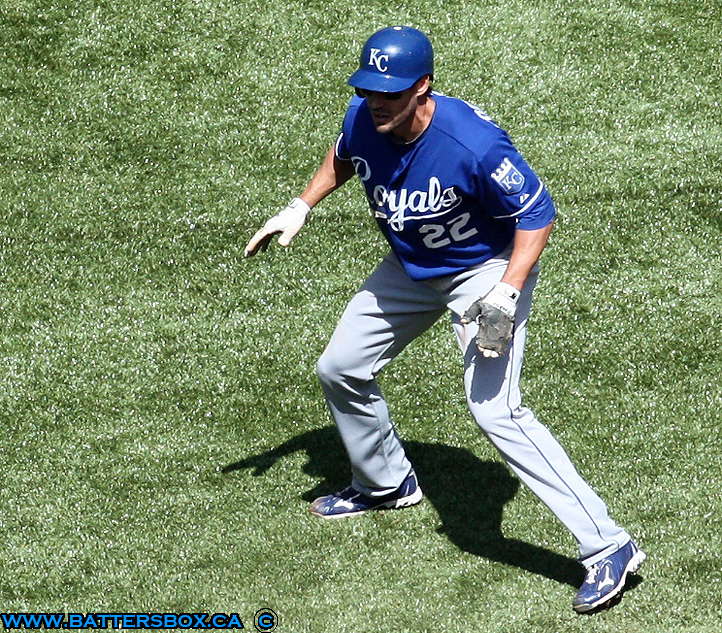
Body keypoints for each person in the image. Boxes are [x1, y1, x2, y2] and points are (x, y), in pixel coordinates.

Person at [244, 25, 645, 613]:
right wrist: (301, 206)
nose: (376, 101)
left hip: (486, 272)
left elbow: (537, 213)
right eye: (367, 89)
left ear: (423, 87)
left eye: (390, 93)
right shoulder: (365, 118)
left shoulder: (473, 144)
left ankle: (609, 545)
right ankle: (386, 483)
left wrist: (506, 293)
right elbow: (346, 153)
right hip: (411, 269)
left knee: (496, 411)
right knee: (341, 366)